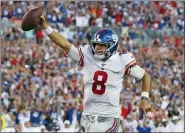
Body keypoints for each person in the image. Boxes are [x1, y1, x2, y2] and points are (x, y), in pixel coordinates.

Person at [39, 13, 151, 132]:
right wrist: (45, 26)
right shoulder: (88, 55)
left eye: (102, 45)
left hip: (109, 117)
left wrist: (144, 99)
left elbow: (145, 76)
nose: (97, 48)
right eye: (96, 44)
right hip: (89, 115)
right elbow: (65, 45)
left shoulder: (122, 60)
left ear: (112, 46)